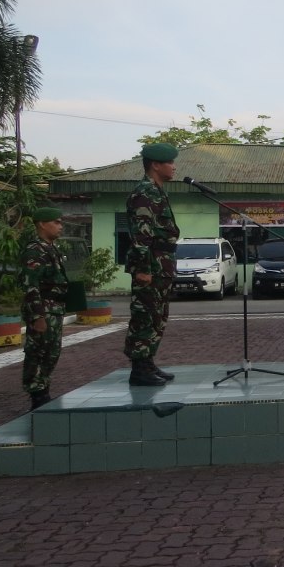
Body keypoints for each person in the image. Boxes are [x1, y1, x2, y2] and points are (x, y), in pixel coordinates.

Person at [125, 142, 181, 386]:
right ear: (156, 165)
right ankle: (139, 368)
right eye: (169, 163)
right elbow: (141, 236)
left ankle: (147, 362)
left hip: (162, 264)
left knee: (157, 316)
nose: (174, 167)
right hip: (151, 265)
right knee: (145, 316)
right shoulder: (144, 193)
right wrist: (144, 269)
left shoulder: (157, 192)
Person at [20, 206, 69, 410]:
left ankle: (44, 387)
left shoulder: (51, 248)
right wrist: (37, 316)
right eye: (56, 222)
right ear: (41, 224)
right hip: (43, 309)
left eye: (60, 222)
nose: (60, 226)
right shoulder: (35, 250)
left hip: (54, 309)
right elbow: (30, 285)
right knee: (38, 351)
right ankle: (36, 393)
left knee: (51, 351)